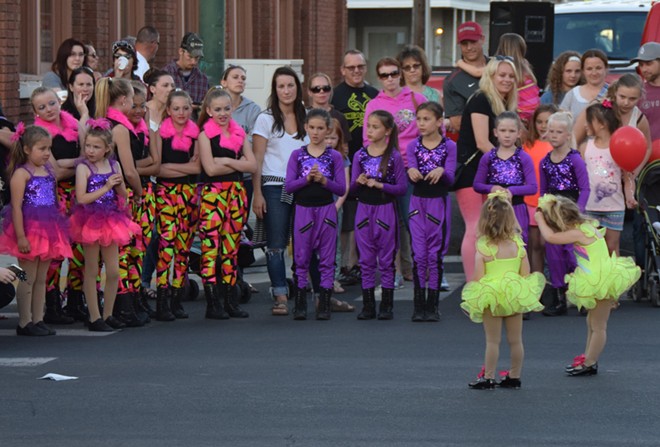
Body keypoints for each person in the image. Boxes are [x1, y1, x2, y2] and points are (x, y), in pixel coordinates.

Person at [535, 195, 640, 376]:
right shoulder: (587, 226)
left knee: (598, 326)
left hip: (598, 280)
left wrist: (539, 220)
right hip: (600, 277)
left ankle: (590, 363)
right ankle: (589, 357)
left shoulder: (578, 232)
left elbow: (550, 237)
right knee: (591, 322)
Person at [461, 191, 545, 389]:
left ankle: (489, 376)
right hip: (513, 294)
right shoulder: (518, 246)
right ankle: (515, 376)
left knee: (492, 341)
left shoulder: (483, 247)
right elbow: (526, 274)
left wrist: (474, 295)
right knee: (516, 340)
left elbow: (478, 278)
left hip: (492, 295)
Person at [0, 124, 73, 336]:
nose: (47, 153)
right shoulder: (21, 174)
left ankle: (38, 318)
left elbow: (54, 199)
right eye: (42, 149)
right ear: (27, 150)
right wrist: (21, 237)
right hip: (29, 230)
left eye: (49, 148)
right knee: (26, 277)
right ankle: (24, 322)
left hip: (49, 228)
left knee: (42, 278)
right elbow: (15, 207)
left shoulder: (49, 170)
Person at [69, 119, 140, 332]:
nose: (90, 150)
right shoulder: (83, 167)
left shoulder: (113, 165)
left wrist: (119, 187)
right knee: (91, 270)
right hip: (90, 219)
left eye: (96, 147)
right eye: (88, 146)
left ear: (107, 148)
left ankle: (108, 314)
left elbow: (123, 196)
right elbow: (81, 197)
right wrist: (107, 185)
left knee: (114, 271)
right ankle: (94, 316)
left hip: (111, 219)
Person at [364, 57, 426, 288]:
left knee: (414, 222)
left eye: (393, 73)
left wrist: (421, 163)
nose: (389, 79)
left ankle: (423, 268)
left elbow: (432, 131)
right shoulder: (374, 104)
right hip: (385, 169)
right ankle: (396, 272)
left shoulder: (415, 98)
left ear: (400, 74)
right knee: (390, 224)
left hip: (412, 169)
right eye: (384, 75)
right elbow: (366, 138)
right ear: (378, 78)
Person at [454, 57, 518, 281]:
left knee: (490, 228)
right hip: (472, 172)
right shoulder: (481, 99)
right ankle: (473, 286)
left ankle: (488, 280)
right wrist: (507, 166)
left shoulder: (503, 103)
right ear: (490, 77)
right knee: (475, 228)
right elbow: (482, 142)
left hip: (489, 172)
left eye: (511, 76)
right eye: (502, 75)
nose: (507, 79)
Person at [252, 66, 308, 316]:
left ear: (297, 87)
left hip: (305, 187)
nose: (286, 91)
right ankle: (280, 294)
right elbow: (257, 160)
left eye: (290, 85)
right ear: (275, 90)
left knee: (305, 242)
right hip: (274, 187)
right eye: (281, 86)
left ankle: (304, 291)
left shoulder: (307, 115)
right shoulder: (265, 118)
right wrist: (257, 194)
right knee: (276, 244)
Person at [197, 87, 255, 320]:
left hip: (236, 194)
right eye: (218, 109)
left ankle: (231, 301)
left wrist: (226, 161)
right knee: (211, 249)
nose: (223, 113)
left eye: (227, 108)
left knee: (231, 249)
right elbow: (210, 168)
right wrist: (236, 162)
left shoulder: (239, 132)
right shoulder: (204, 135)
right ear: (209, 111)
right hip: (213, 196)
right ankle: (213, 303)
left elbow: (252, 165)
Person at [285, 109, 346, 320]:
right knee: (301, 257)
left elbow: (341, 188)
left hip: (326, 210)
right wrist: (307, 179)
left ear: (327, 129)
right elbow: (289, 186)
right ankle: (301, 303)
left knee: (327, 258)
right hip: (303, 210)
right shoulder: (298, 155)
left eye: (320, 128)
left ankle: (325, 302)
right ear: (305, 128)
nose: (316, 132)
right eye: (312, 128)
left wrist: (323, 181)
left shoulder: (334, 156)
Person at [31, 87, 85, 325]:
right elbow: (56, 172)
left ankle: (75, 301)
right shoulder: (41, 133)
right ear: (35, 112)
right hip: (55, 197)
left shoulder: (72, 123)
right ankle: (52, 306)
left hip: (79, 195)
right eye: (41, 107)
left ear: (59, 102)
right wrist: (78, 164)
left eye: (51, 103)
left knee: (79, 251)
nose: (48, 110)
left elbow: (90, 158)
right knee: (55, 253)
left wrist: (73, 163)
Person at [95, 77, 145, 326]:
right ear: (124, 100)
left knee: (115, 254)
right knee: (125, 252)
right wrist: (139, 192)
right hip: (120, 195)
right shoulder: (120, 128)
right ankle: (124, 306)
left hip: (104, 196)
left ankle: (121, 304)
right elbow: (130, 170)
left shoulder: (102, 123)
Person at [351, 110, 406, 320]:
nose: (370, 130)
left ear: (387, 131)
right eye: (369, 126)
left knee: (386, 258)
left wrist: (380, 184)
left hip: (385, 209)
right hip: (364, 209)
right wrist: (358, 182)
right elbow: (351, 190)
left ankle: (387, 304)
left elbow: (401, 187)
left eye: (375, 127)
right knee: (366, 258)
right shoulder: (360, 155)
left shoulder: (393, 156)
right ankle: (367, 305)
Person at [331, 50, 379, 287]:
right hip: (346, 164)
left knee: (368, 216)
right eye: (351, 68)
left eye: (360, 66)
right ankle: (346, 264)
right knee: (347, 217)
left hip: (372, 163)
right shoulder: (336, 96)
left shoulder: (374, 94)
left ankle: (363, 263)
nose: (356, 71)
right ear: (342, 70)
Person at [406, 102, 456, 322]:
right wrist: (412, 169)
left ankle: (432, 305)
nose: (422, 123)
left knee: (434, 254)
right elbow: (411, 168)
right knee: (419, 253)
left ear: (438, 122)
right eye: (419, 119)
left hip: (438, 202)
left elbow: (452, 176)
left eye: (427, 119)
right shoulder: (413, 145)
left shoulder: (448, 146)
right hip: (418, 202)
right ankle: (419, 305)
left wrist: (442, 170)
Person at [154, 89, 200, 321]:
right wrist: (184, 168)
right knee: (167, 245)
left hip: (190, 195)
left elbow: (198, 168)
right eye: (176, 108)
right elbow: (157, 169)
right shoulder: (160, 134)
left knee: (184, 247)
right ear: (168, 110)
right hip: (166, 194)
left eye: (185, 108)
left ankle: (176, 298)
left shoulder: (196, 134)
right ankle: (162, 299)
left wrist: (173, 168)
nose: (181, 113)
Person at [539, 111, 590, 316]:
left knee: (574, 253)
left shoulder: (575, 159)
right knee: (554, 255)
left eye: (558, 132)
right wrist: (542, 212)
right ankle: (559, 299)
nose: (553, 135)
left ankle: (582, 297)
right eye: (550, 131)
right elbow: (543, 192)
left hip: (571, 212)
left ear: (568, 135)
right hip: (553, 213)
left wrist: (578, 212)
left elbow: (585, 188)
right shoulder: (545, 161)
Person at [473, 111, 537, 245]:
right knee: (493, 243)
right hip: (493, 208)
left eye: (512, 131)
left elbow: (532, 187)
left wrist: (512, 191)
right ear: (495, 132)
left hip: (517, 208)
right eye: (503, 130)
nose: (507, 135)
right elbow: (477, 185)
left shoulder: (523, 157)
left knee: (517, 243)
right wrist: (492, 187)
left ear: (519, 133)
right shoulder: (488, 157)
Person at [580, 102, 635, 255]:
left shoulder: (618, 146)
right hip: (590, 207)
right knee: (592, 248)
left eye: (589, 121)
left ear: (602, 124)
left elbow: (627, 177)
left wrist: (630, 196)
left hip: (614, 207)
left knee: (612, 247)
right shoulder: (586, 147)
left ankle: (614, 278)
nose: (585, 124)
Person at [125, 81, 159, 320]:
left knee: (142, 247)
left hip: (147, 191)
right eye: (134, 106)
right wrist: (138, 168)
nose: (138, 110)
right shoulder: (122, 131)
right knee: (127, 249)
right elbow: (123, 167)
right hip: (130, 194)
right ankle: (126, 298)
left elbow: (155, 163)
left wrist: (137, 167)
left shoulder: (147, 131)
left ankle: (137, 294)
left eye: (142, 106)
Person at [523, 104, 557, 281]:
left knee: (549, 243)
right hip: (531, 201)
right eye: (539, 122)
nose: (543, 126)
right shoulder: (527, 145)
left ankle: (554, 281)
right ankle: (537, 283)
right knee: (535, 244)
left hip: (552, 203)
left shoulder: (557, 144)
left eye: (548, 121)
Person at [443, 21, 487, 135]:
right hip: (474, 144)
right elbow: (457, 123)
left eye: (473, 42)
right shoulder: (452, 81)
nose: (469, 47)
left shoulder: (498, 67)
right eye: (464, 43)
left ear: (482, 39)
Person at [162, 32, 209, 114]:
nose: (193, 62)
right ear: (181, 51)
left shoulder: (202, 79)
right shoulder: (166, 73)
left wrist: (198, 107)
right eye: (190, 57)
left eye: (197, 58)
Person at [560, 49, 609, 120]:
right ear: (583, 71)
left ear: (606, 69)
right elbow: (560, 122)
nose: (594, 73)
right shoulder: (573, 94)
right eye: (589, 69)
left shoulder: (614, 93)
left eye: (598, 68)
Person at [634, 42, 660, 141]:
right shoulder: (637, 92)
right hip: (647, 153)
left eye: (649, 63)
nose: (644, 69)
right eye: (641, 65)